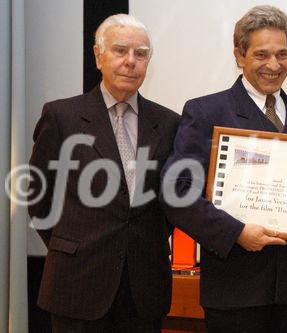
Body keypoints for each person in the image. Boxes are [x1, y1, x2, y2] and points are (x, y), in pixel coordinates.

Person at [161, 5, 287, 333]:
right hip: (235, 293)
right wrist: (235, 233)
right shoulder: (206, 112)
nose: (274, 65)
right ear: (239, 55)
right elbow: (177, 191)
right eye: (262, 54)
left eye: (282, 54)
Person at [28, 14, 180, 332]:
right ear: (99, 56)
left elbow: (171, 202)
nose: (131, 61)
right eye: (120, 50)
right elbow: (40, 197)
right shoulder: (62, 117)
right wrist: (73, 244)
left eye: (141, 54)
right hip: (76, 284)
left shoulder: (168, 123)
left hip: (143, 288)